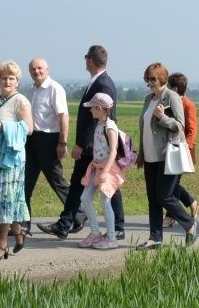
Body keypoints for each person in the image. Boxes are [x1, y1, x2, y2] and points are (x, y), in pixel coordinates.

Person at [38, 45, 125, 240]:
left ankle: (117, 227)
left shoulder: (103, 84)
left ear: (91, 60)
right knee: (79, 183)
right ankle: (66, 223)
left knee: (109, 185)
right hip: (94, 146)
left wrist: (81, 144)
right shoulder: (98, 81)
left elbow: (98, 119)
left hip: (96, 147)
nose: (85, 60)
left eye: (86, 57)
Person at [135, 62, 199, 250]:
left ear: (163, 78)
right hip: (149, 156)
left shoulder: (171, 97)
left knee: (164, 195)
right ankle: (155, 237)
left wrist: (162, 118)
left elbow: (180, 125)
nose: (150, 83)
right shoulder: (148, 99)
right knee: (153, 198)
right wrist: (141, 152)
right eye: (147, 79)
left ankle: (189, 224)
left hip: (166, 155)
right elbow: (144, 128)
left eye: (153, 79)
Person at [0, 60, 33, 261]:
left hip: (11, 160)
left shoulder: (21, 101)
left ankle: (2, 245)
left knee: (4, 202)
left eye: (11, 78)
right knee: (4, 200)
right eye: (4, 78)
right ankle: (18, 231)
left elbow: (29, 128)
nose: (7, 81)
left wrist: (3, 127)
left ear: (17, 81)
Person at [23, 58, 78, 233]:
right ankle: (23, 224)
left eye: (39, 68)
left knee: (57, 182)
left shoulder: (55, 88)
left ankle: (79, 214)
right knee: (24, 183)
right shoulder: (32, 90)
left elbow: (64, 116)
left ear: (47, 69)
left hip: (49, 140)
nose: (36, 71)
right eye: (32, 69)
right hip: (32, 140)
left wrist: (62, 142)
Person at [77, 93, 125, 250]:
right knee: (85, 197)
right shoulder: (100, 124)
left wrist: (105, 172)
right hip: (96, 166)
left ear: (98, 108)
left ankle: (111, 237)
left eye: (92, 107)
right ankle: (95, 232)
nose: (90, 110)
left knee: (105, 201)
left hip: (106, 170)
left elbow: (113, 151)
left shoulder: (110, 127)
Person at [163, 72, 199, 228]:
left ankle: (172, 215)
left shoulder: (188, 105)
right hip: (170, 149)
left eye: (169, 87)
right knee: (173, 184)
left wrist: (187, 148)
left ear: (175, 88)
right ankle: (192, 203)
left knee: (172, 185)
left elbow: (192, 129)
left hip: (181, 150)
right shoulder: (170, 102)